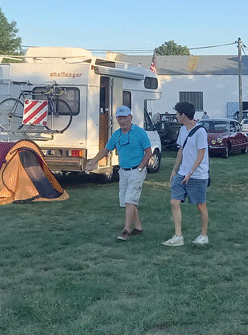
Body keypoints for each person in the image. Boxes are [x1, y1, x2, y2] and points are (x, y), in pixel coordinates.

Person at [86, 105, 153, 240]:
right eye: (120, 118)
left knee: (130, 200)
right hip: (123, 171)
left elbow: (149, 152)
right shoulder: (116, 134)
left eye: (125, 117)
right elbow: (106, 149)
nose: (122, 121)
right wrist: (93, 161)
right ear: (117, 118)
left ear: (130, 117)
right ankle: (138, 228)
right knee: (127, 201)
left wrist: (140, 168)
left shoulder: (140, 133)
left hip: (136, 170)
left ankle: (126, 230)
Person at [163, 101, 210, 247]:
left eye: (177, 113)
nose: (176, 116)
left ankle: (203, 235)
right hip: (182, 173)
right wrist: (174, 170)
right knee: (174, 202)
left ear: (183, 115)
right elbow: (181, 151)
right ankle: (178, 236)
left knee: (200, 206)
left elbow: (201, 154)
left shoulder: (200, 131)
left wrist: (191, 172)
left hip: (198, 175)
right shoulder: (183, 130)